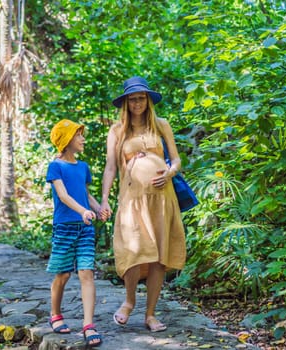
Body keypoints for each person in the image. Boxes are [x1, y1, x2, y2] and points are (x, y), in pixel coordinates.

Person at [99, 76, 186, 332]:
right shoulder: (117, 130)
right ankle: (129, 301)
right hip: (133, 200)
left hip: (162, 198)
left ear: (148, 100)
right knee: (134, 251)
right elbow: (110, 167)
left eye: (141, 98)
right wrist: (104, 198)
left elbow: (177, 160)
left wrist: (169, 173)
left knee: (159, 255)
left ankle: (150, 314)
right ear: (126, 103)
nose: (137, 103)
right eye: (132, 99)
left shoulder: (161, 125)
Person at [45, 119, 102, 347]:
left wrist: (99, 208)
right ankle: (55, 314)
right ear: (67, 140)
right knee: (63, 275)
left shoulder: (83, 167)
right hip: (65, 227)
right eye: (79, 135)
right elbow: (63, 195)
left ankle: (88, 324)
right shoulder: (55, 166)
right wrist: (83, 212)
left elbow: (85, 195)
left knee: (86, 273)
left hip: (85, 228)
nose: (83, 139)